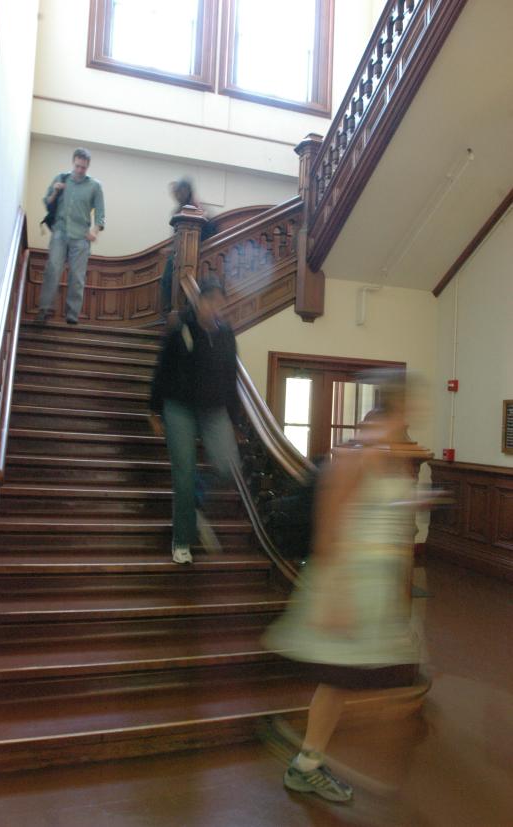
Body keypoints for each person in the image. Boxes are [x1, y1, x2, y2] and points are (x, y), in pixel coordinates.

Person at [264, 371, 425, 803]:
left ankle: (313, 761)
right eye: (411, 405)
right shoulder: (357, 456)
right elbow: (330, 527)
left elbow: (386, 519)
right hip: (350, 584)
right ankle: (308, 762)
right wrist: (335, 595)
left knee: (360, 681)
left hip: (373, 586)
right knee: (343, 679)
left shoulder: (390, 455)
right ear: (398, 406)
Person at [150, 278, 240, 564]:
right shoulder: (181, 329)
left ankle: (196, 496)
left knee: (228, 467)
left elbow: (231, 380)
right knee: (184, 474)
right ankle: (182, 541)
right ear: (199, 302)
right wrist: (153, 410)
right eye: (210, 301)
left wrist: (235, 422)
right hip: (179, 409)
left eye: (220, 303)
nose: (215, 308)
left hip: (214, 410)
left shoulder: (226, 335)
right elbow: (162, 370)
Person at [37, 147, 105, 325]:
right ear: (73, 163)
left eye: (83, 167)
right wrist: (55, 191)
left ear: (88, 166)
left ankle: (72, 314)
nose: (80, 170)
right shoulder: (61, 178)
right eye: (77, 166)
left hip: (81, 237)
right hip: (60, 231)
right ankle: (44, 309)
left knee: (77, 276)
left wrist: (94, 231)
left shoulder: (95, 186)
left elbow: (100, 214)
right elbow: (47, 203)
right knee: (52, 270)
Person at [160, 178, 216, 316]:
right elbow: (177, 236)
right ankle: (168, 311)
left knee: (172, 277)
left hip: (193, 253)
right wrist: (171, 248)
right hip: (180, 252)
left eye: (179, 192)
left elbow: (210, 232)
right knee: (168, 278)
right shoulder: (179, 210)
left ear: (186, 191)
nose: (176, 195)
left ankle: (172, 312)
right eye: (175, 193)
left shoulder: (199, 209)